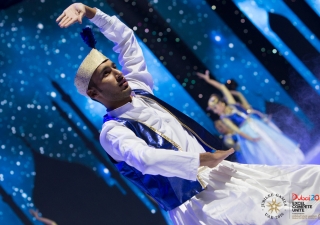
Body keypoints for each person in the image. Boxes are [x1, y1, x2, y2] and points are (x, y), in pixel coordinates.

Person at [56, 3, 320, 224]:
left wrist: (91, 12)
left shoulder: (138, 88)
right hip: (196, 202)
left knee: (294, 196)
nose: (117, 73)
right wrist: (200, 160)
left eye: (113, 67)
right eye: (106, 74)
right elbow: (145, 158)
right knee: (263, 216)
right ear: (94, 93)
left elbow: (126, 41)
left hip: (218, 176)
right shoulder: (113, 131)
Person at [197, 70, 305, 165]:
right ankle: (280, 165)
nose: (216, 111)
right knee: (264, 150)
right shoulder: (224, 118)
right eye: (214, 109)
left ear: (221, 103)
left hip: (254, 123)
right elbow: (237, 131)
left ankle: (288, 159)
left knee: (272, 140)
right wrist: (251, 138)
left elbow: (222, 87)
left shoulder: (231, 104)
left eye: (216, 107)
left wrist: (209, 80)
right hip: (247, 131)